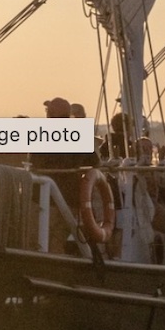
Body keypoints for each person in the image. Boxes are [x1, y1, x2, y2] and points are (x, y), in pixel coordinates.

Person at [30, 96, 100, 251]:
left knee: (38, 242)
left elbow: (35, 163)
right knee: (57, 241)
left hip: (44, 199)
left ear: (51, 115)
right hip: (70, 200)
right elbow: (95, 163)